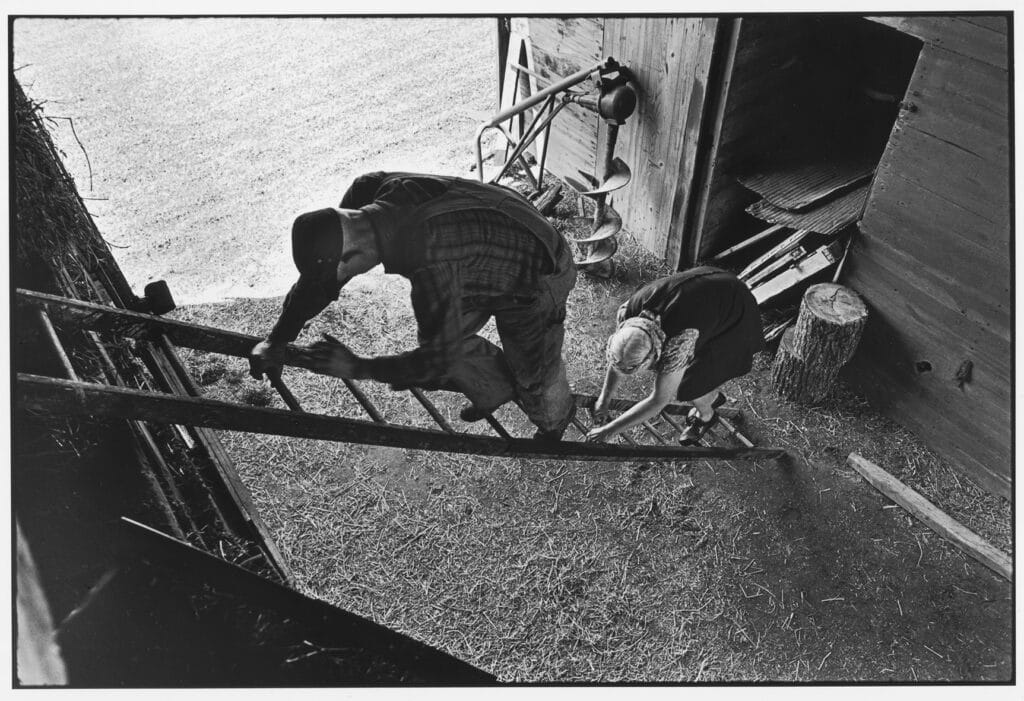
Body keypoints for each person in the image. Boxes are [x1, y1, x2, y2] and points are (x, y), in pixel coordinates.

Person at [248, 171, 577, 441]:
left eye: (344, 273)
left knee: (535, 375)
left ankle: (555, 423)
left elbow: (435, 362)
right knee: (442, 334)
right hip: (486, 242)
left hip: (537, 269)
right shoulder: (366, 194)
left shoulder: (429, 259)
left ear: (351, 256)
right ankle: (495, 388)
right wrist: (277, 339)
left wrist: (358, 367)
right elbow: (317, 286)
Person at [586, 266, 764, 445]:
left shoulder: (678, 342)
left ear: (652, 356)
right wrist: (604, 398)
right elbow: (620, 359)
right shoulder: (628, 315)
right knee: (688, 374)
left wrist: (609, 430)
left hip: (733, 308)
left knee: (691, 385)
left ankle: (706, 416)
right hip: (708, 292)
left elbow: (658, 401)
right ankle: (711, 398)